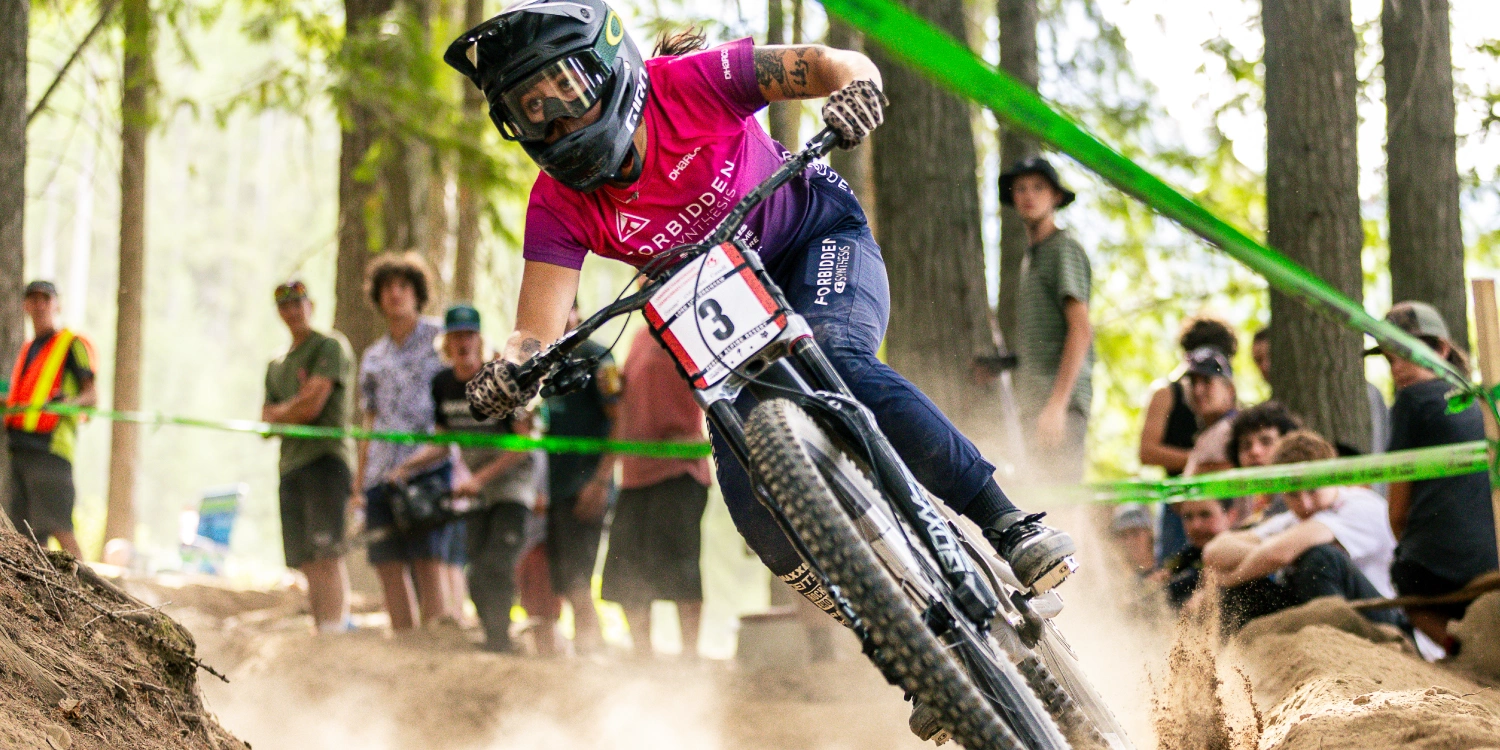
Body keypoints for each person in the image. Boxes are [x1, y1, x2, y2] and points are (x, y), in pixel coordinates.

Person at [445, 0, 1076, 624]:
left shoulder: (690, 84)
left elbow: (834, 63)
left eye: (565, 88)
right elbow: (536, 328)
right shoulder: (556, 203)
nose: (555, 117)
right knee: (749, 500)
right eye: (532, 108)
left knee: (836, 359)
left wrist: (855, 91)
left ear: (608, 65)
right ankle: (883, 633)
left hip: (814, 243)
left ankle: (1006, 522)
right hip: (721, 317)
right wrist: (513, 372)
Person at [390, 304, 543, 651]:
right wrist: (407, 466)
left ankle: (502, 638)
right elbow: (443, 441)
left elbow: (524, 442)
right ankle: (493, 639)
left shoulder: (501, 377)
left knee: (497, 563)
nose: (463, 343)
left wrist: (481, 478)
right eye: (456, 336)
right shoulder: (442, 384)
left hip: (513, 487)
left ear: (479, 339)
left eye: (469, 335)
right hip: (477, 492)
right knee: (474, 568)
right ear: (446, 342)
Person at [1376, 301, 1498, 651]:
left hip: (1438, 570)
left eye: (1405, 354)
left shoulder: (1413, 400)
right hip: (1494, 555)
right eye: (1389, 359)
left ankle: (1459, 649)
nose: (1397, 368)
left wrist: (1405, 550)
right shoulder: (1487, 400)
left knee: (1404, 575)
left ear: (1441, 348)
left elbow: (1397, 512)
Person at [592, 326, 711, 658]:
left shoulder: (692, 327)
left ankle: (690, 655)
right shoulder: (639, 336)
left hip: (679, 469)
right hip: (635, 472)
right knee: (624, 565)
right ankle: (643, 654)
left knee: (680, 564)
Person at [1201, 431, 1399, 630]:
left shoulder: (1361, 504)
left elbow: (1278, 554)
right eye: (1293, 495)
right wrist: (1281, 552)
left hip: (1383, 615)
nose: (1305, 503)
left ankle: (1335, 641)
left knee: (1320, 558)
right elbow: (1214, 551)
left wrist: (1230, 579)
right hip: (1319, 611)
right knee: (1243, 594)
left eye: (1313, 490)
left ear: (1333, 475)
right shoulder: (1292, 520)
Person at [357, 252, 453, 631]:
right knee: (387, 563)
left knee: (428, 561)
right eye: (388, 288)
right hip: (381, 471)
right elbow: (369, 418)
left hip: (427, 465)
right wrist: (358, 483)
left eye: (403, 287)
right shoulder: (373, 357)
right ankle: (403, 643)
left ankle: (434, 644)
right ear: (378, 297)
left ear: (417, 293)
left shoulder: (441, 338)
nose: (395, 295)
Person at [262, 281, 357, 633]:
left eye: (298, 303)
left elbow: (313, 405)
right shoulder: (276, 364)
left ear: (310, 305)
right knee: (304, 557)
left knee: (327, 551)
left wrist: (284, 411)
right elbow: (265, 418)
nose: (293, 310)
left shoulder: (329, 346)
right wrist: (293, 408)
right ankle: (323, 629)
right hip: (291, 465)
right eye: (285, 305)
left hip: (326, 460)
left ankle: (334, 629)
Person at [1004, 156, 1094, 484]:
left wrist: (1057, 406)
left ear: (1056, 196)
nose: (1029, 195)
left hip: (1058, 405)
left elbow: (1081, 330)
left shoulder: (1063, 249)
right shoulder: (1032, 256)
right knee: (1040, 505)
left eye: (1039, 187)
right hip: (1034, 405)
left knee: (1061, 503)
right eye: (1021, 188)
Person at [540, 303, 619, 655]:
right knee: (563, 578)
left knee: (578, 578)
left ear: (577, 313)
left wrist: (601, 481)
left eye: (564, 310)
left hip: (587, 484)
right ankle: (585, 649)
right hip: (555, 485)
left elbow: (620, 418)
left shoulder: (597, 356)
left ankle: (593, 651)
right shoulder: (541, 365)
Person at [1135, 316, 1240, 566]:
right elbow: (1146, 451)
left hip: (1221, 503)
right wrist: (1199, 463)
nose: (1199, 388)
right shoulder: (1167, 393)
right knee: (1175, 567)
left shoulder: (1227, 405)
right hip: (1179, 503)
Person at [5, 281, 96, 558]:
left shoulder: (71, 344)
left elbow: (91, 395)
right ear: (25, 306)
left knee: (59, 527)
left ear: (56, 304)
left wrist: (67, 404)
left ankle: (86, 588)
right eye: (33, 299)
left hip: (51, 451)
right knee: (28, 536)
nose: (39, 304)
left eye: (45, 298)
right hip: (20, 450)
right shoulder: (29, 349)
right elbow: (22, 401)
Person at [1254, 326, 1390, 460]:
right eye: (1258, 360)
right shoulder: (1269, 411)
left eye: (1271, 357)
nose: (1264, 366)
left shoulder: (1367, 393)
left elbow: (1377, 443)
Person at [1225, 400, 1302, 523]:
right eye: (1246, 445)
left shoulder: (1300, 497)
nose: (1254, 451)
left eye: (1266, 442)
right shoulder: (1243, 496)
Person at [1156, 499, 1236, 609]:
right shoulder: (1186, 555)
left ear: (1230, 515)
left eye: (1205, 514)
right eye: (1188, 517)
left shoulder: (1242, 554)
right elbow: (1156, 578)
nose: (1196, 525)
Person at [1181, 347, 1239, 477]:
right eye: (1193, 382)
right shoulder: (1213, 429)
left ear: (1230, 389)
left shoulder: (1235, 429)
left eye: (1207, 381)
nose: (1197, 390)